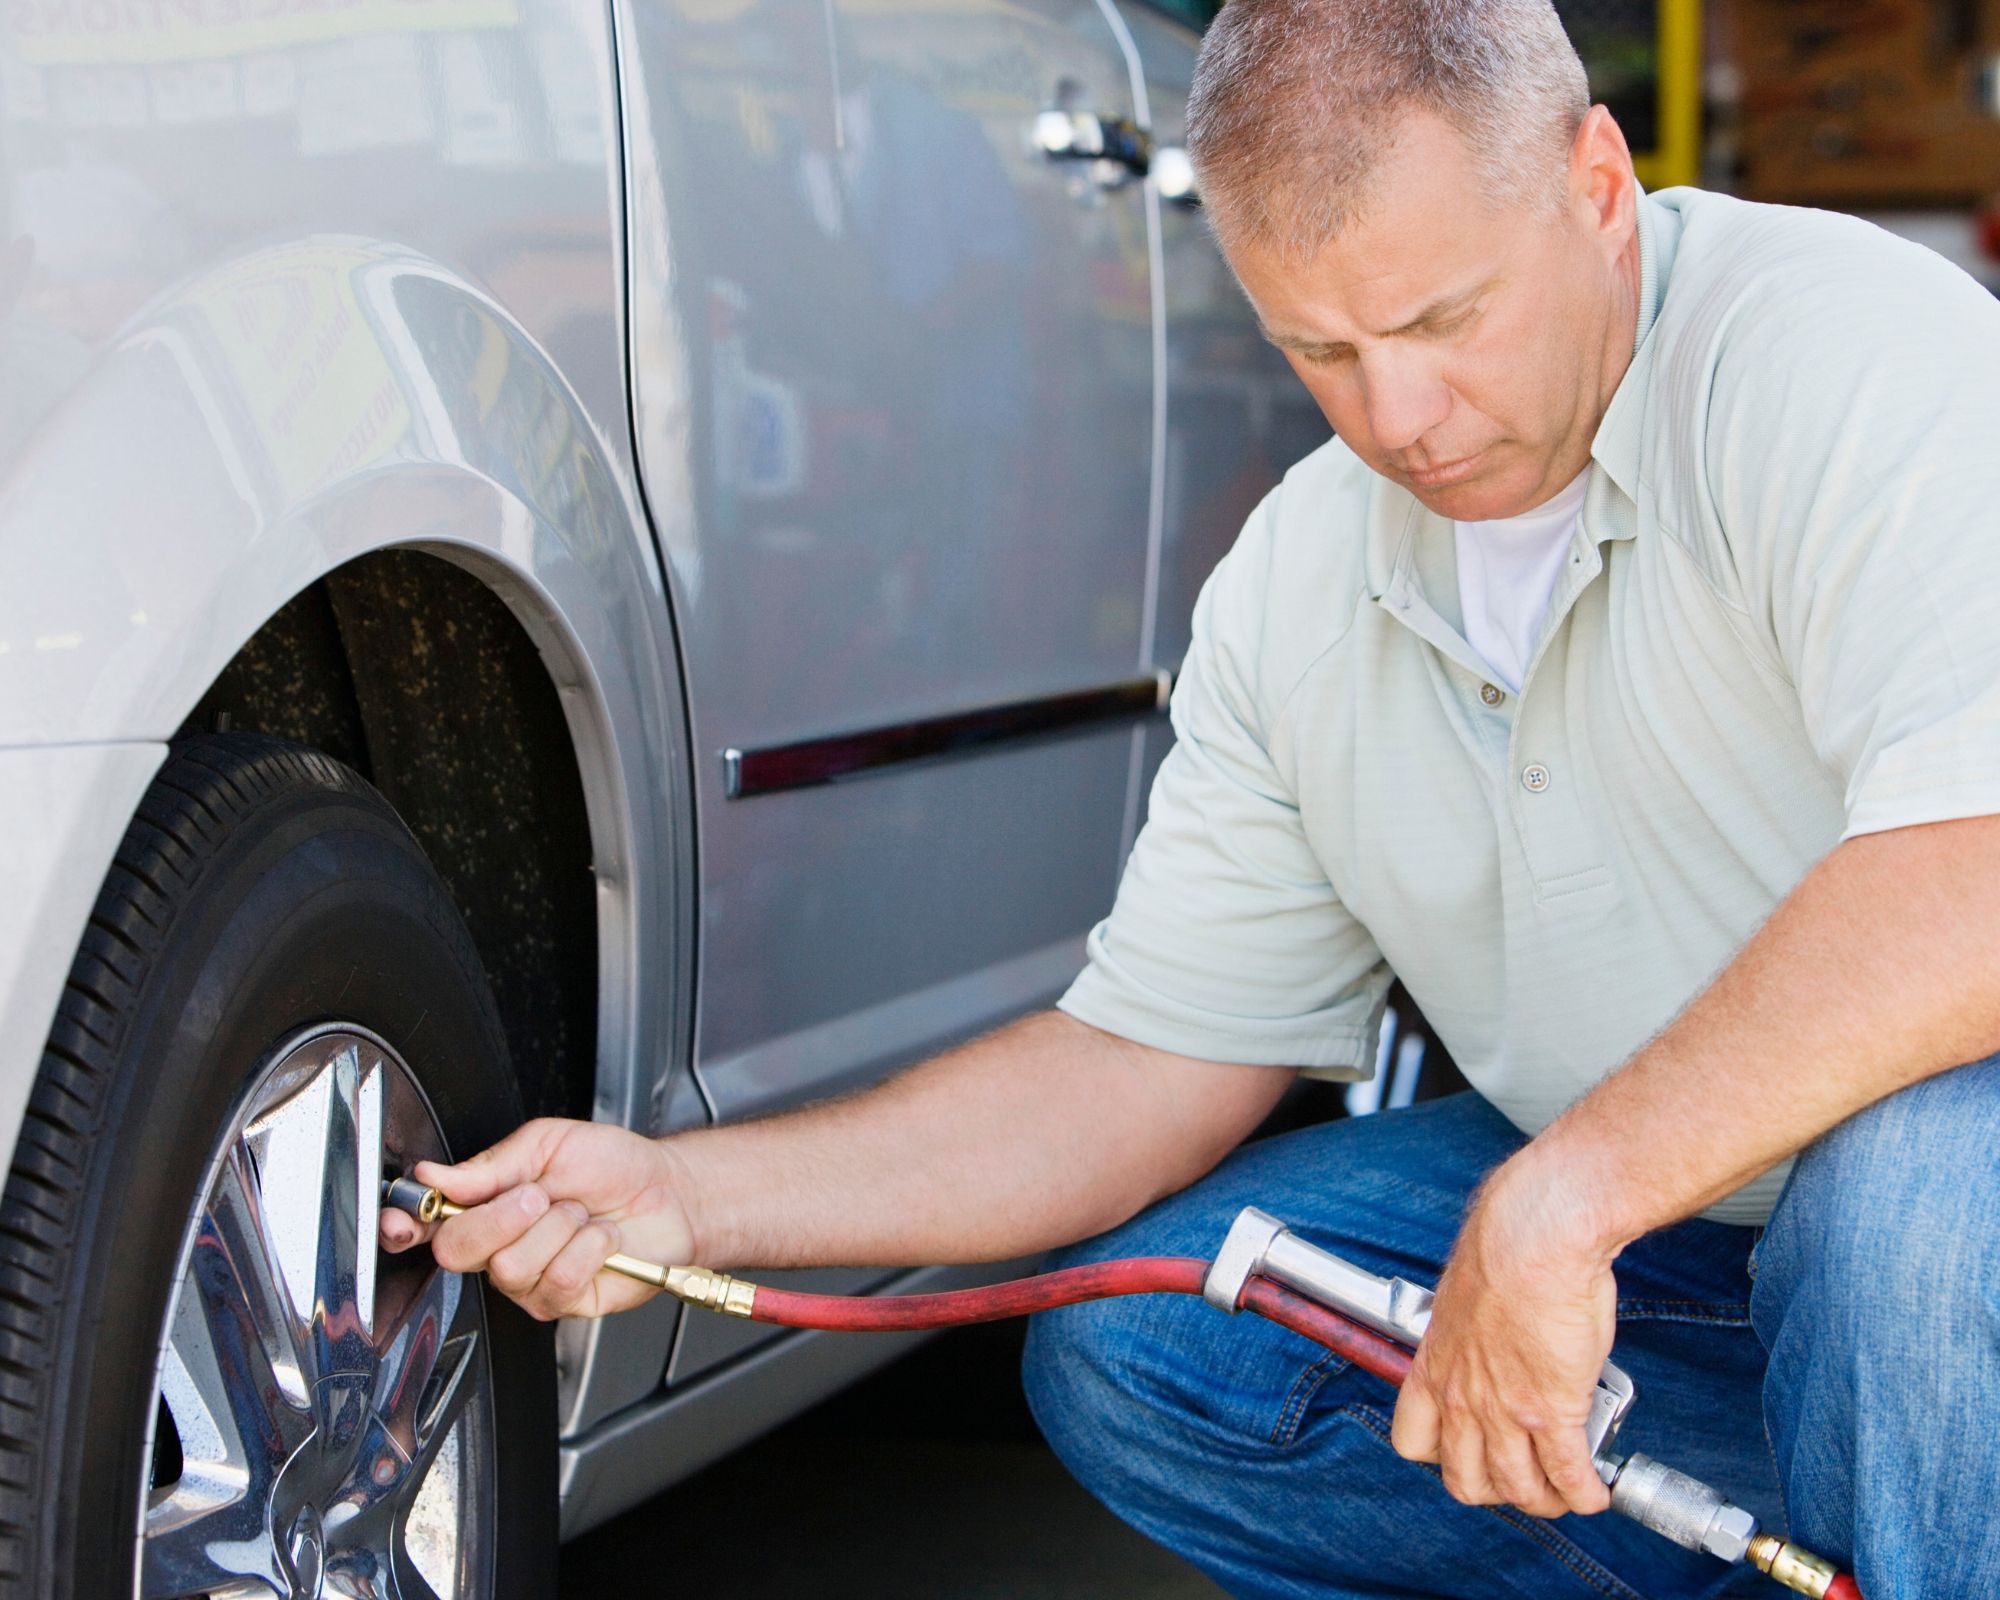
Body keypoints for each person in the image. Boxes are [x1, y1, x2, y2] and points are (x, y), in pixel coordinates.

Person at [380, 3, 2000, 1593]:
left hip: (1936, 1212)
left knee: (1912, 1212)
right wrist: (682, 1190)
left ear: (1595, 180)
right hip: (1710, 1263)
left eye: (1444, 322)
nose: (1397, 420)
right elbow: (1141, 1067)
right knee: (1154, 1346)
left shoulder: (1847, 363)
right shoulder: (1303, 577)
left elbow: (1978, 875)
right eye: (1321, 350)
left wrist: (1566, 1202)